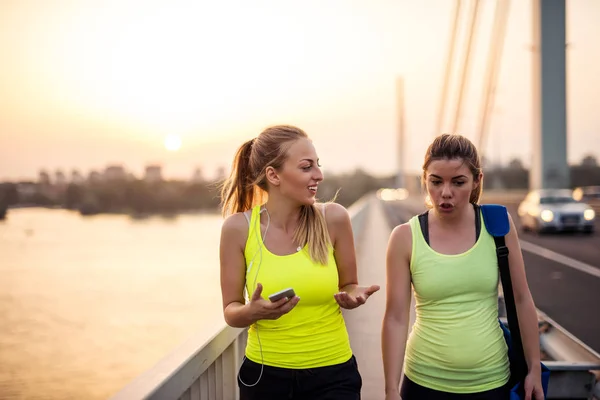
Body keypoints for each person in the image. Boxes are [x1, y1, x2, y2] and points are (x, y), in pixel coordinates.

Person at [219, 124, 380, 400]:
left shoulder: (334, 218)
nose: (319, 174)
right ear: (273, 175)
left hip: (333, 374)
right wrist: (253, 312)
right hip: (264, 378)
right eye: (307, 167)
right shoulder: (239, 229)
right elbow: (231, 311)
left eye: (318, 165)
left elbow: (349, 284)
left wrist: (354, 294)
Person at [381, 134, 544, 400]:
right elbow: (396, 317)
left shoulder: (498, 226)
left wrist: (534, 368)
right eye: (436, 181)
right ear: (425, 179)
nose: (445, 192)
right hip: (423, 383)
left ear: (477, 180)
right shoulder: (404, 237)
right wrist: (390, 389)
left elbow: (522, 298)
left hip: (492, 382)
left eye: (458, 182)